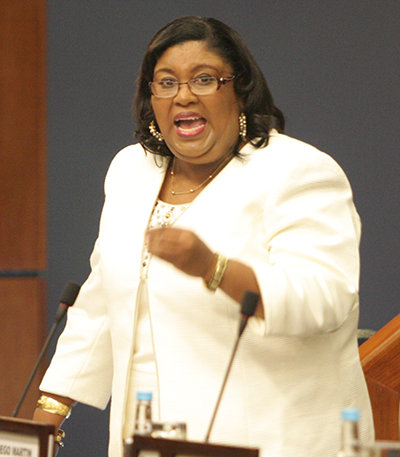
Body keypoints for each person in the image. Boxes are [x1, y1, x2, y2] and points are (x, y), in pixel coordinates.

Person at [33, 16, 374, 457]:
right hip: (148, 438)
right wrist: (48, 416)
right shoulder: (131, 170)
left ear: (240, 88)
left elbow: (324, 300)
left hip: (267, 439)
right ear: (149, 96)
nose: (185, 95)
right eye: (167, 82)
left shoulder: (297, 172)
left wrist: (215, 268)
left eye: (205, 79)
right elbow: (103, 303)